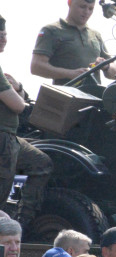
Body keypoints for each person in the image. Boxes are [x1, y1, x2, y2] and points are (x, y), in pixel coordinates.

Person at [1, 15, 53, 228]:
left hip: (10, 137)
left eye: (4, 33)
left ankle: (17, 219)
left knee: (39, 162)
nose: (3, 37)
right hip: (3, 138)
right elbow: (18, 106)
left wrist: (18, 87)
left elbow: (18, 96)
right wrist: (19, 94)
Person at [32, 0, 116, 94]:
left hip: (94, 99)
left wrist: (106, 66)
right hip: (65, 99)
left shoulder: (96, 35)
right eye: (82, 7)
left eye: (90, 8)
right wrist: (70, 74)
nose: (86, 12)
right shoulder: (51, 31)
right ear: (70, 3)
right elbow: (36, 66)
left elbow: (114, 73)